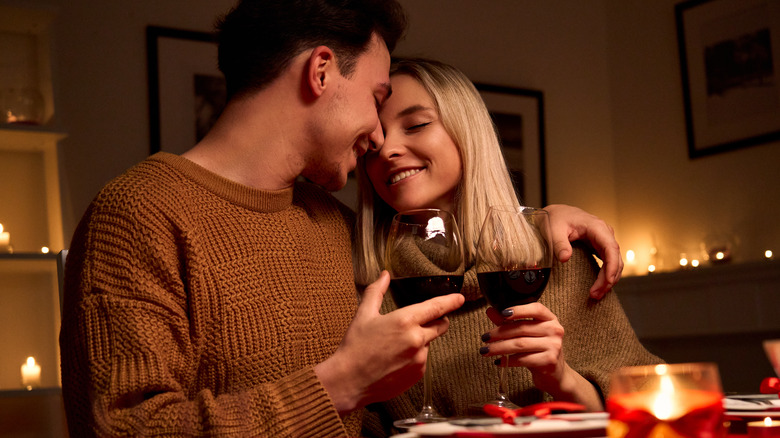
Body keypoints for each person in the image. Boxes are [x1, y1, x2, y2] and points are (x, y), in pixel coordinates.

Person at [60, 1, 623, 436]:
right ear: (321, 72)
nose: (379, 138)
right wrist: (341, 384)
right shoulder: (134, 215)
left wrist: (538, 221)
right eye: (376, 97)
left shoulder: (335, 226)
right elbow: (124, 428)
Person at [352, 58, 663, 436]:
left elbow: (649, 413)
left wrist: (562, 379)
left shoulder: (557, 254)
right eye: (375, 142)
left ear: (467, 131)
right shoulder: (366, 288)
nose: (387, 151)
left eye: (416, 125)